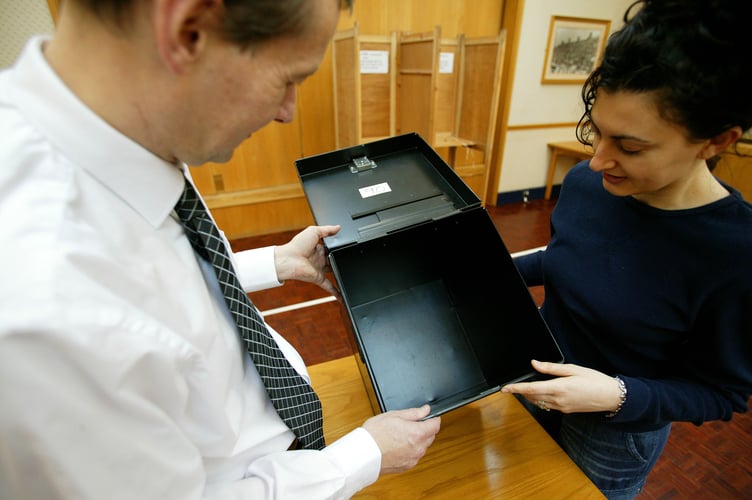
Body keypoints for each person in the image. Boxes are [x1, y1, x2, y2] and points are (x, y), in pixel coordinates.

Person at [0, 0, 441, 498]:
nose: (287, 110)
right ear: (187, 32)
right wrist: (359, 458)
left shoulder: (134, 131)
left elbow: (159, 285)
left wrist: (273, 263)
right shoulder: (43, 307)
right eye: (288, 78)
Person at [502, 0, 752, 498]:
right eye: (596, 131)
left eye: (630, 147)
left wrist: (615, 395)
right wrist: (499, 267)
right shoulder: (586, 184)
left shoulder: (736, 254)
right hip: (532, 382)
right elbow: (571, 262)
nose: (597, 161)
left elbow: (723, 393)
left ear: (715, 141)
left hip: (612, 433)